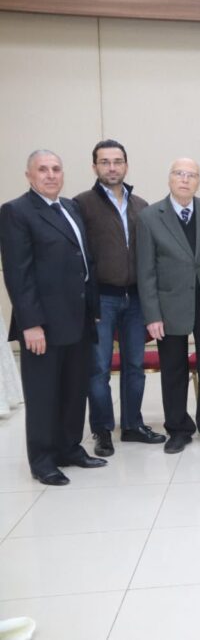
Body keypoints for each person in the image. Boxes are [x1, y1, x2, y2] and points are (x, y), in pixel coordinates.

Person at [1, 150, 105, 485]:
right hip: (43, 324)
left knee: (74, 390)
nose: (50, 175)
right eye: (42, 169)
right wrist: (30, 323)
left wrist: (93, 310)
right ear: (29, 175)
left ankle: (69, 448)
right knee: (44, 394)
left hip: (78, 318)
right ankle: (43, 460)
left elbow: (83, 260)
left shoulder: (70, 208)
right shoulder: (16, 212)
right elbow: (18, 274)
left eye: (56, 169)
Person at [136, 158, 200, 453]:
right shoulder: (149, 217)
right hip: (169, 305)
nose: (185, 179)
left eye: (191, 175)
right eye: (179, 173)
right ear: (169, 178)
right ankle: (178, 429)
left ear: (198, 181)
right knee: (173, 369)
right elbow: (145, 271)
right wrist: (152, 314)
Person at [73, 139, 166, 457]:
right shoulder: (82, 204)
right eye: (105, 162)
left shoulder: (141, 205)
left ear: (126, 165)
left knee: (134, 365)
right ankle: (102, 430)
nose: (112, 167)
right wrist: (87, 300)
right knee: (98, 369)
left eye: (117, 161)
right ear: (94, 166)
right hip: (102, 299)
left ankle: (132, 425)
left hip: (136, 299)